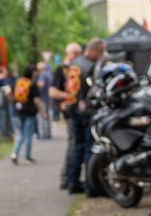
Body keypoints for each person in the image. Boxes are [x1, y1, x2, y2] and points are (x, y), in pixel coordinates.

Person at [66, 38, 105, 196]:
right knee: (89, 146)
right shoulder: (90, 66)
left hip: (73, 109)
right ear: (94, 50)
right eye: (101, 52)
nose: (101, 55)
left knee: (77, 146)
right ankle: (90, 186)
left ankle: (73, 182)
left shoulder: (75, 63)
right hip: (85, 111)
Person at [49, 42, 83, 190]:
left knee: (75, 143)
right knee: (73, 143)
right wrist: (69, 96)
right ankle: (67, 178)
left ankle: (69, 177)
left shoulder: (79, 68)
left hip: (79, 111)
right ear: (68, 53)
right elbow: (53, 92)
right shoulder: (61, 69)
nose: (75, 56)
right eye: (73, 53)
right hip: (70, 112)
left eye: (77, 54)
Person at [9, 64, 48, 164]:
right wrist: (43, 113)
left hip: (18, 111)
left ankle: (14, 153)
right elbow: (36, 100)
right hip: (30, 112)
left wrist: (14, 103)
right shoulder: (32, 84)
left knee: (20, 134)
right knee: (28, 135)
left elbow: (9, 94)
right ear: (32, 72)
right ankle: (27, 156)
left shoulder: (17, 82)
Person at [36, 61, 52, 139]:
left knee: (44, 116)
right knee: (47, 115)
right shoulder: (49, 75)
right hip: (49, 97)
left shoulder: (42, 75)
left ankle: (45, 134)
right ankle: (48, 133)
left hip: (43, 97)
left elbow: (41, 84)